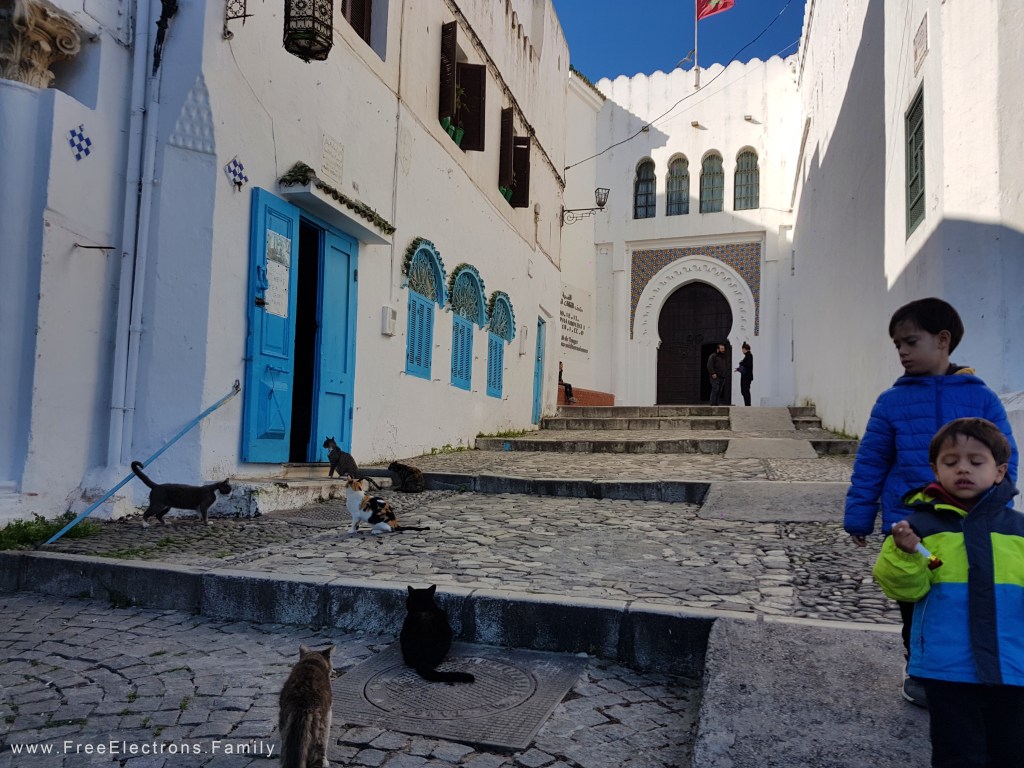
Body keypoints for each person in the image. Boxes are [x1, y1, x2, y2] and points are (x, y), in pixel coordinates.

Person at [844, 297, 1019, 708]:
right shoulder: (891, 402)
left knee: (967, 595)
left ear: (943, 341)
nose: (902, 352)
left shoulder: (983, 399)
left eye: (910, 342)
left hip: (972, 524)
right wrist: (858, 517)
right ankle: (920, 670)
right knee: (916, 602)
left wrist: (999, 509)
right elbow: (872, 460)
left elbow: (1004, 456)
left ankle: (977, 668)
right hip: (914, 525)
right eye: (897, 345)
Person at [873, 418, 1024, 767]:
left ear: (1000, 471)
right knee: (958, 754)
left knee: (1012, 752)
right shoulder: (920, 528)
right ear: (935, 470)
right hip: (949, 670)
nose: (963, 470)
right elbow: (904, 590)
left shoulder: (1018, 530)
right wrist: (903, 554)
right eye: (951, 462)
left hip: (1013, 665)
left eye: (976, 461)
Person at [735, 342, 753, 406]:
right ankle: (747, 404)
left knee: (745, 391)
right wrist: (738, 369)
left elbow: (748, 365)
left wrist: (741, 363)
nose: (742, 351)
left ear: (745, 349)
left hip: (746, 377)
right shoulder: (747, 356)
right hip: (745, 377)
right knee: (744, 391)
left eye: (742, 349)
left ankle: (748, 404)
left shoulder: (749, 356)